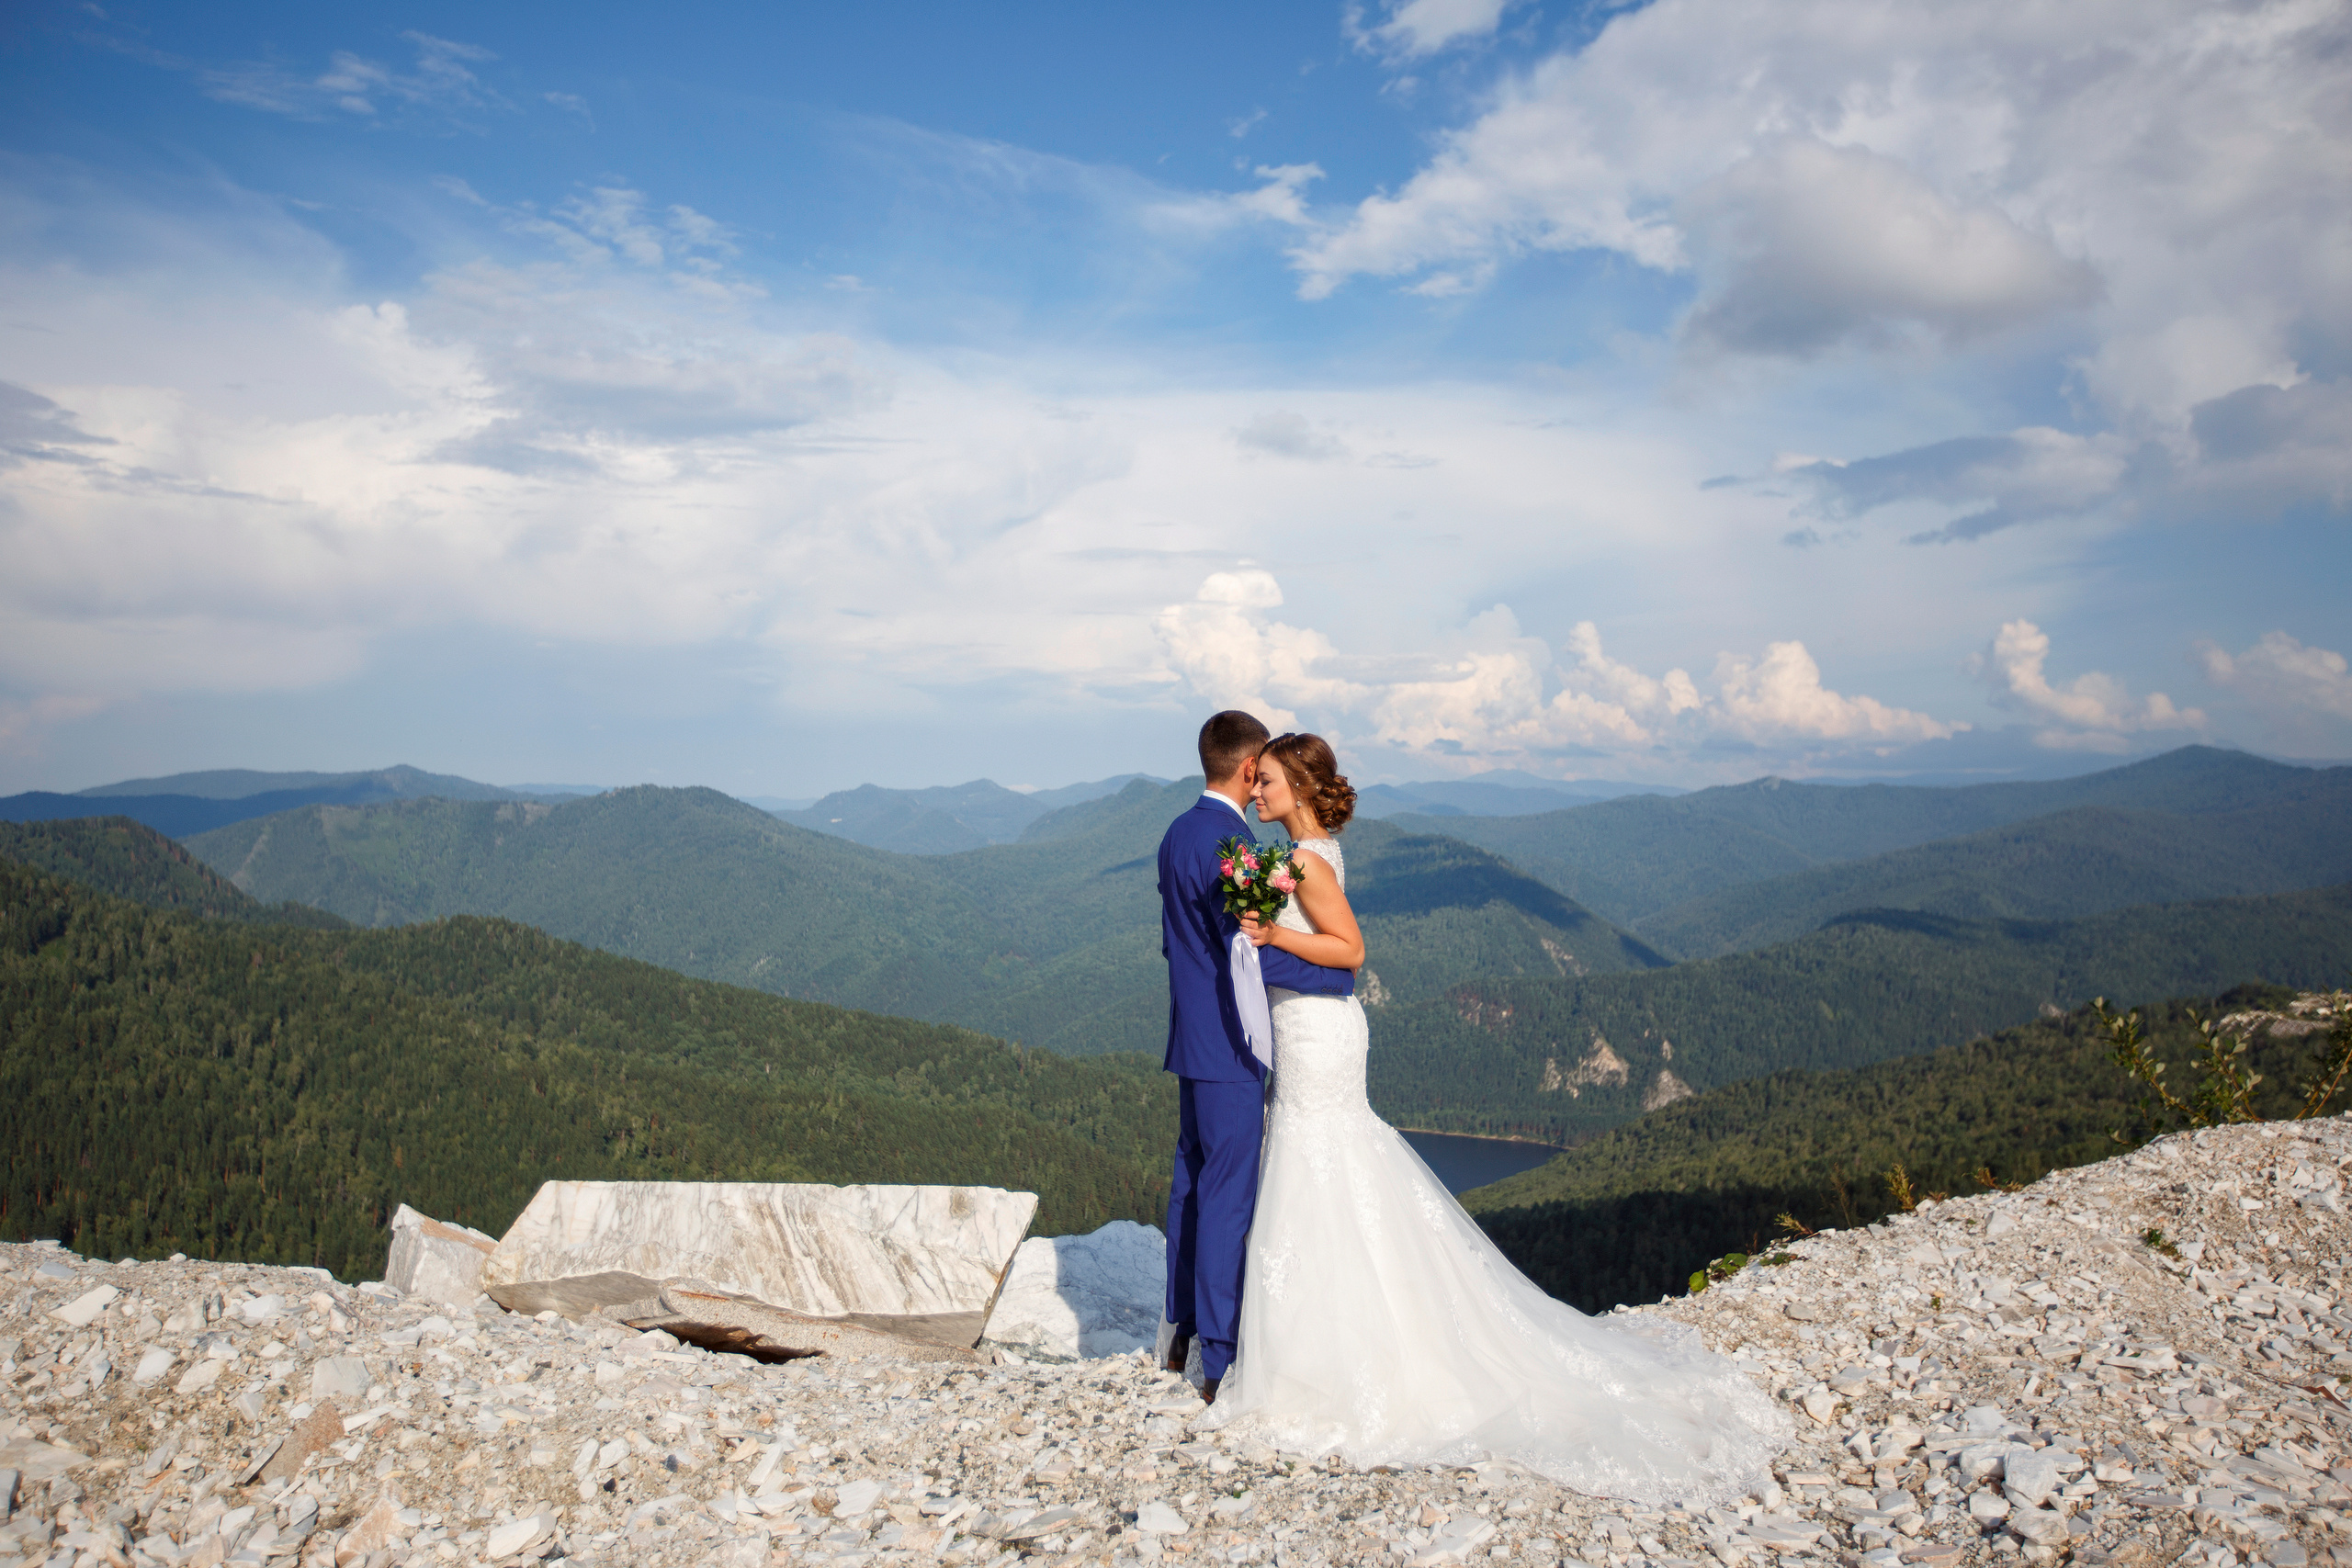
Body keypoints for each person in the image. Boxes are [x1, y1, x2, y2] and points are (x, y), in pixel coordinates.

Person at [1204, 730, 1791, 1506]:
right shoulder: (1300, 855)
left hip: (1319, 1033)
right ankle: (1331, 1346)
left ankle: (1332, 1364)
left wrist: (1270, 931)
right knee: (1324, 1165)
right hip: (1304, 1027)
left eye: (1270, 779)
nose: (1258, 789)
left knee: (1321, 1159)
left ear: (1302, 787)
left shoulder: (1306, 862)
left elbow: (1350, 951)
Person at [1157, 711, 1356, 1403]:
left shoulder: (1177, 832)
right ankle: (1219, 1357)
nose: (1263, 784)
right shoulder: (1233, 847)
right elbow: (1245, 953)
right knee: (1227, 1195)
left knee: (1191, 1182)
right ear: (1249, 768)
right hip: (1230, 1044)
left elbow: (1181, 944)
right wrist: (1334, 979)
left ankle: (1179, 1325)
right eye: (1261, 773)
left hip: (1190, 1036)